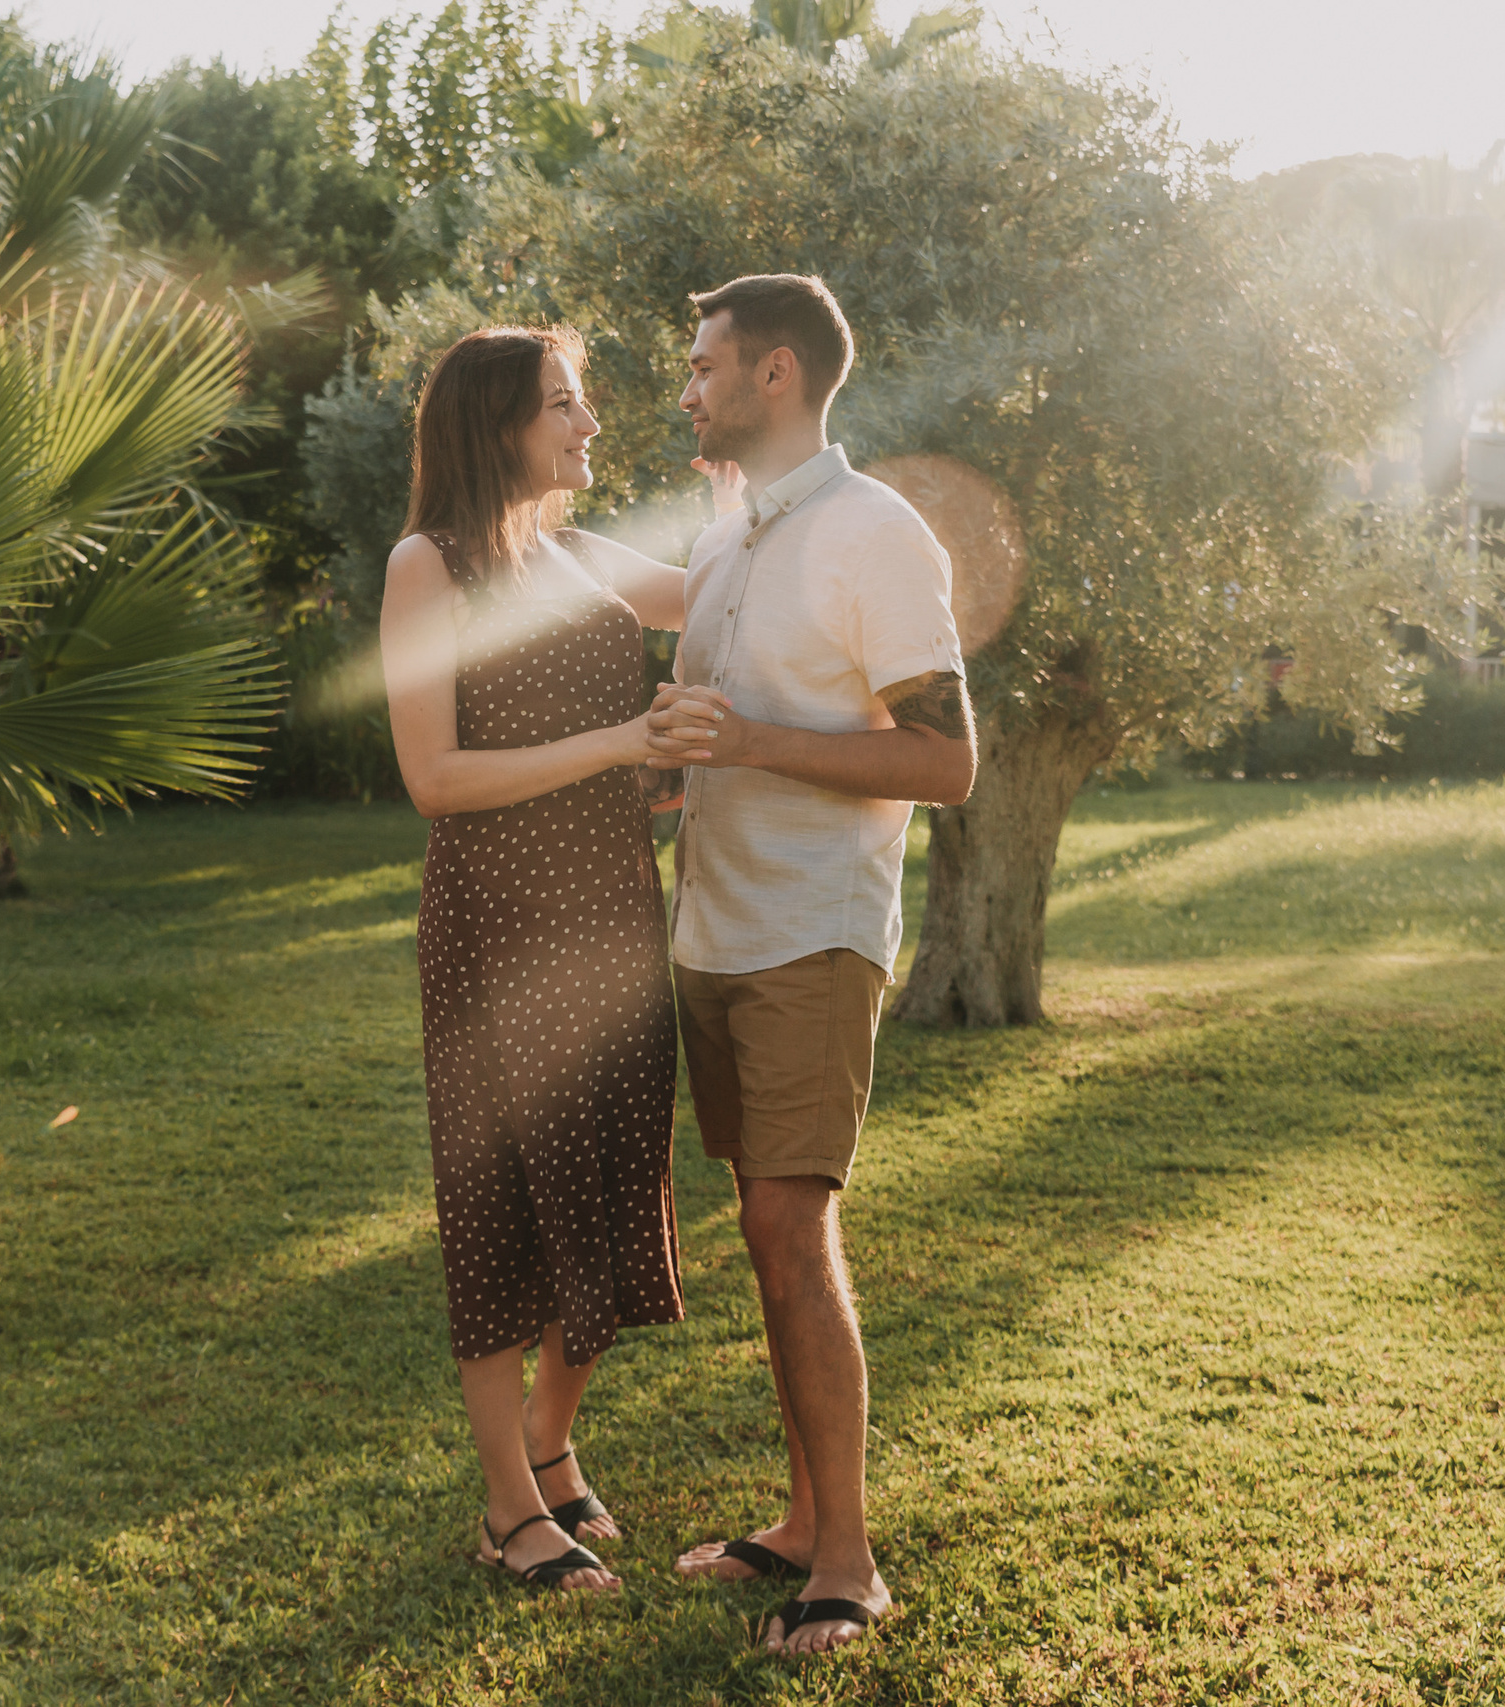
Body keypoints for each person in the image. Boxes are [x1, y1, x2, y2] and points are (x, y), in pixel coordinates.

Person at [646, 275, 978, 1656]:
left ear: (775, 374)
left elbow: (947, 760)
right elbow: (709, 735)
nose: (688, 389)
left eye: (705, 364)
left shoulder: (874, 531)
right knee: (767, 1228)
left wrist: (747, 744)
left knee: (793, 1229)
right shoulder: (731, 543)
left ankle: (845, 1558)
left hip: (813, 933)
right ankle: (796, 1516)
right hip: (715, 931)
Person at [380, 325, 734, 1595]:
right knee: (504, 1207)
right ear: (498, 425)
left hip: (608, 920)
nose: (589, 425)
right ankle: (505, 1509)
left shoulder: (579, 555)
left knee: (611, 1175)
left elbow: (718, 603)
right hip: (498, 931)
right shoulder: (431, 568)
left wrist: (750, 513)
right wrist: (613, 743)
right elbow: (434, 778)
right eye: (564, 405)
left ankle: (551, 1445)